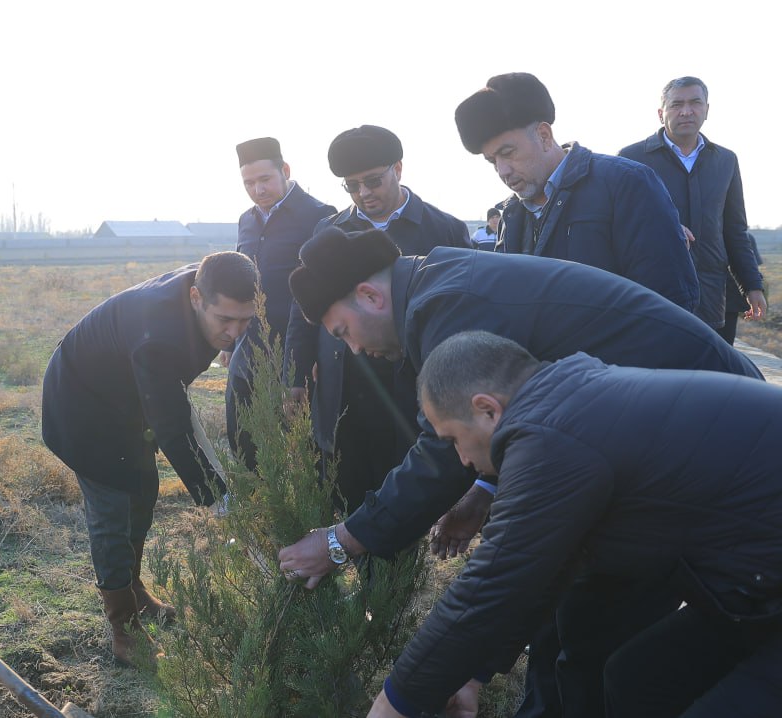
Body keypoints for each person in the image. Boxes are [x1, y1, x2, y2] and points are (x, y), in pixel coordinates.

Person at [274, 228, 762, 717]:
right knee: (611, 657)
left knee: (589, 644)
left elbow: (496, 559)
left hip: (732, 485)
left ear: (370, 295)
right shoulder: (443, 285)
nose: (354, 350)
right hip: (693, 456)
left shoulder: (448, 308)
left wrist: (345, 541)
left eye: (343, 333)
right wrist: (486, 488)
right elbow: (515, 444)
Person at [365, 331, 782, 718]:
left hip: (760, 588)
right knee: (636, 678)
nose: (462, 460)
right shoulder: (568, 397)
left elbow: (491, 583)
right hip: (754, 585)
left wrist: (394, 701)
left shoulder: (550, 437)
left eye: (453, 438)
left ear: (487, 409)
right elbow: (543, 571)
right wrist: (473, 672)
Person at [41, 251, 258, 665]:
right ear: (197, 297)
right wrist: (218, 498)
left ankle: (136, 592)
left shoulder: (207, 288)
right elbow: (174, 425)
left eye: (244, 321)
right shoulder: (160, 334)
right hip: (81, 404)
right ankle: (124, 632)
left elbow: (167, 401)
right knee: (113, 509)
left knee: (144, 489)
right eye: (225, 321)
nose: (234, 333)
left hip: (126, 398)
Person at [283, 125, 470, 511]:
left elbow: (461, 309)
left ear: (398, 169)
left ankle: (398, 566)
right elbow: (304, 310)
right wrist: (296, 375)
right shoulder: (329, 230)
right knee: (347, 480)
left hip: (411, 383)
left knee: (405, 479)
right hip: (344, 382)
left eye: (373, 181)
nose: (364, 194)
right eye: (352, 186)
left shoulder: (444, 229)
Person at [454, 71, 698, 312]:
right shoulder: (510, 214)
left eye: (507, 153)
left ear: (543, 135)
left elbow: (671, 304)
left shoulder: (628, 184)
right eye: (492, 161)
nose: (502, 170)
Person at [619, 76, 767, 334]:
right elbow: (617, 227)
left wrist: (752, 286)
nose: (686, 111)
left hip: (711, 297)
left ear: (707, 109)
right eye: (676, 104)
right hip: (652, 297)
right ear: (660, 113)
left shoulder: (725, 161)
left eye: (695, 102)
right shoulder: (631, 159)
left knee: (714, 372)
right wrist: (666, 228)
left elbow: (735, 232)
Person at [228, 137, 335, 469]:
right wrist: (232, 341)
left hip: (297, 347)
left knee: (301, 435)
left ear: (285, 170)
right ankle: (253, 497)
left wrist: (298, 368)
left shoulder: (319, 216)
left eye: (264, 180)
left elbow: (319, 293)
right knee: (241, 425)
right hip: (249, 344)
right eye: (249, 183)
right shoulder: (247, 220)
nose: (257, 190)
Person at [723, 233, 765, 343]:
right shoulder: (745, 237)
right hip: (731, 299)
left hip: (728, 300)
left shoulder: (745, 237)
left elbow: (752, 269)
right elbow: (753, 268)